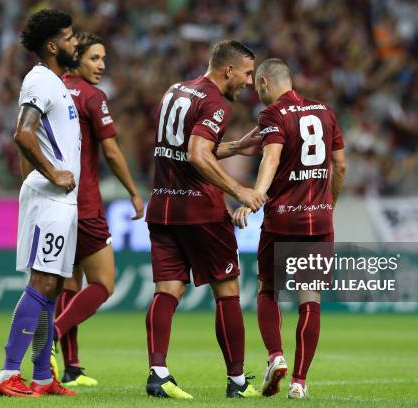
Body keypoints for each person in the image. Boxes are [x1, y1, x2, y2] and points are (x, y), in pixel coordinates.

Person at [144, 40, 265, 399]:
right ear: (228, 69)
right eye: (246, 74)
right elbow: (197, 155)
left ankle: (158, 374)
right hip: (200, 210)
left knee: (167, 291)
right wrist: (238, 190)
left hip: (163, 205)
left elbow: (186, 149)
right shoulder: (215, 102)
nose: (248, 82)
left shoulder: (176, 90)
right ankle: (238, 382)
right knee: (227, 292)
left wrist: (236, 147)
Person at [232, 58, 346, 399]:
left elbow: (271, 158)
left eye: (256, 86)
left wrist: (255, 195)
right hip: (319, 219)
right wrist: (330, 203)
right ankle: (299, 381)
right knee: (310, 300)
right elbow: (339, 165)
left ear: (266, 83)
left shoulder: (272, 115)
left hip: (283, 218)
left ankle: (275, 356)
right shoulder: (326, 111)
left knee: (268, 289)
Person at [0, 9, 81, 397]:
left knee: (54, 286)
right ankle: (7, 373)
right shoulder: (40, 81)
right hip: (50, 198)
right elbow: (23, 134)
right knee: (42, 281)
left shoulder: (57, 83)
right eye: (70, 36)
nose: (75, 41)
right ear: (52, 45)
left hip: (61, 199)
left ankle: (43, 375)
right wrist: (52, 173)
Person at [50, 32, 144, 387]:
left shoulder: (53, 89)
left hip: (54, 202)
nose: (101, 65)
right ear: (77, 59)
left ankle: (71, 368)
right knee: (103, 283)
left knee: (70, 283)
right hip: (85, 203)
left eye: (104, 58)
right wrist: (134, 192)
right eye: (94, 58)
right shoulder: (92, 96)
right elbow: (112, 151)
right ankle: (53, 335)